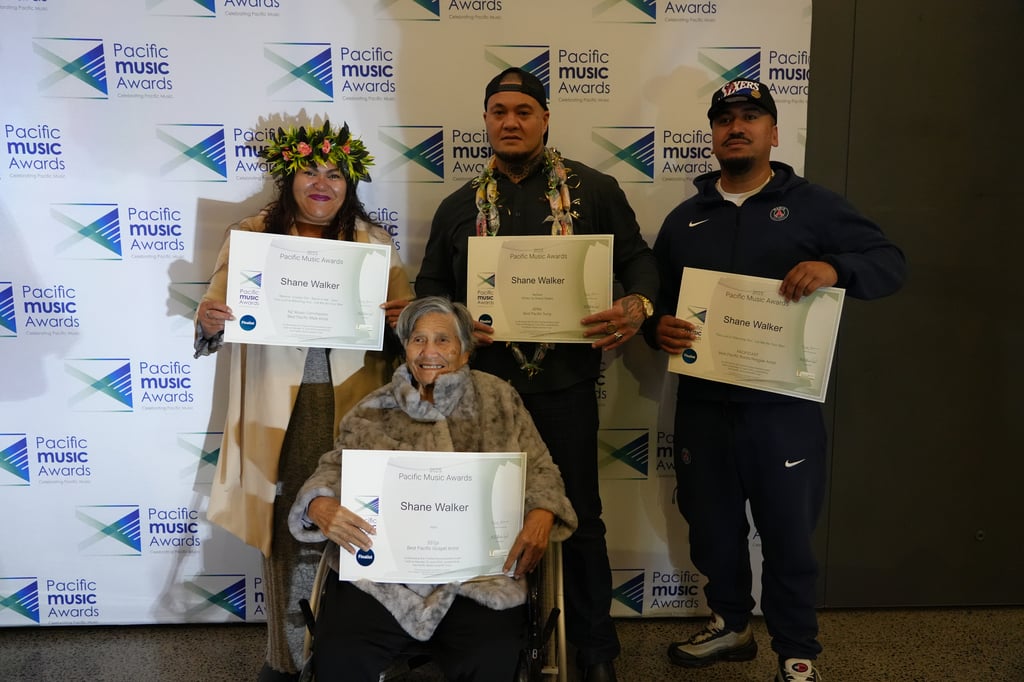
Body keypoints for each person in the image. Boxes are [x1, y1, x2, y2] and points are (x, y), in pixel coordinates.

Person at [647, 78, 907, 682]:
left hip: (782, 409)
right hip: (704, 407)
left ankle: (796, 651)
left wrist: (834, 266)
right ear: (713, 134)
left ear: (773, 132)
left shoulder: (814, 206)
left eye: (750, 117)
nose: (736, 127)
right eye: (725, 119)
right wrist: (655, 328)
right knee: (712, 528)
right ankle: (731, 625)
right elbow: (654, 301)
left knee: (789, 536)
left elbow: (890, 264)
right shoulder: (685, 219)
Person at [415, 67, 658, 682]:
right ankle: (482, 645)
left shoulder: (594, 190)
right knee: (478, 516)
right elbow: (429, 289)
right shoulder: (458, 206)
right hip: (480, 395)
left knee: (580, 519)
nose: (511, 122)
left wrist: (638, 304)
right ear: (486, 121)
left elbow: (639, 260)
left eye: (523, 111)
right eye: (499, 111)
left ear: (545, 119)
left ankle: (595, 652)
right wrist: (454, 321)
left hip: (564, 389)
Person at [193, 119, 414, 681]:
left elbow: (411, 334)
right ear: (289, 178)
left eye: (335, 174)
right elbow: (215, 314)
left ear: (350, 184)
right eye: (311, 170)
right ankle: (286, 662)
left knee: (359, 527)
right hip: (281, 411)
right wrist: (209, 320)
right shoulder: (251, 236)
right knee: (289, 534)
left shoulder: (373, 243)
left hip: (359, 409)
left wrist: (402, 321)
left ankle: (357, 661)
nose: (322, 183)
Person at [287, 296, 578, 682]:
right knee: (341, 651)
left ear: (465, 351)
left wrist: (542, 513)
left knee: (491, 656)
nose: (429, 352)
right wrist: (319, 505)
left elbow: (541, 470)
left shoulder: (499, 400)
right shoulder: (373, 409)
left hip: (477, 579)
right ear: (406, 348)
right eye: (418, 340)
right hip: (384, 580)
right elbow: (331, 470)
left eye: (443, 340)